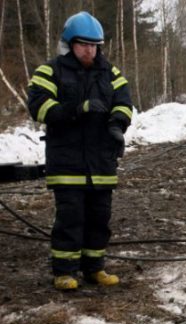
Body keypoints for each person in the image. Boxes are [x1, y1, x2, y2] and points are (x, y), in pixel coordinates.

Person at [26, 11, 133, 290]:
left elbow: (124, 102)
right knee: (70, 217)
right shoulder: (49, 71)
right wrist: (76, 110)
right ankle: (64, 271)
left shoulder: (111, 73)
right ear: (70, 44)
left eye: (94, 45)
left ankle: (94, 268)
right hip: (67, 160)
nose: (90, 50)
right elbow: (38, 106)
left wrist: (117, 125)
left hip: (101, 161)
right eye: (84, 44)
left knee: (100, 217)